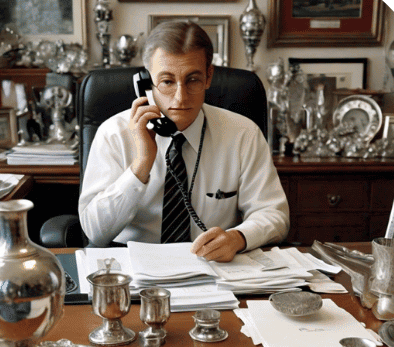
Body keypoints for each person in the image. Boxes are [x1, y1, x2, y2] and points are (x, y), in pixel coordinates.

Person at [78, 21, 289, 262]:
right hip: (133, 269)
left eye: (192, 80)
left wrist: (238, 238)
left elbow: (275, 215)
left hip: (214, 269)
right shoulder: (113, 134)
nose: (180, 97)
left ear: (208, 77)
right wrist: (140, 166)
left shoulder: (243, 134)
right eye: (167, 82)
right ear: (146, 83)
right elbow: (94, 232)